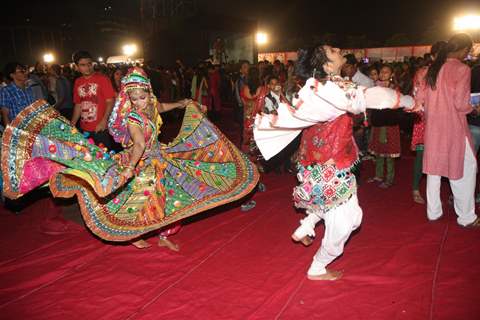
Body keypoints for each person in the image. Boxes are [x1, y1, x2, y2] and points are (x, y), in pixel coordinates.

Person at [1, 67, 260, 248]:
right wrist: (129, 169)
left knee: (172, 199)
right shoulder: (133, 118)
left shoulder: (150, 105)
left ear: (148, 92)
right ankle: (135, 234)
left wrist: (183, 103)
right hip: (144, 163)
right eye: (133, 97)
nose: (138, 101)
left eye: (142, 95)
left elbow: (161, 107)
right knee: (143, 203)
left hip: (160, 157)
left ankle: (163, 234)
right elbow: (137, 145)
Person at [254, 44, 414, 280]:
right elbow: (373, 96)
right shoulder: (335, 87)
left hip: (320, 163)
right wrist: (410, 102)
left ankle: (307, 223)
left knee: (347, 213)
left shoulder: (319, 88)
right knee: (347, 221)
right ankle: (317, 266)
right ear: (327, 65)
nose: (338, 49)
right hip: (331, 166)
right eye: (332, 50)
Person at [415, 33, 479, 227]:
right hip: (454, 127)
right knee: (465, 168)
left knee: (434, 169)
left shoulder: (430, 69)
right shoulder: (462, 69)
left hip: (433, 127)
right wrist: (473, 107)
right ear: (462, 50)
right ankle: (466, 216)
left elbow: (420, 100)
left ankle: (433, 212)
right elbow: (461, 104)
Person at [410, 41, 447, 204]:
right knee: (421, 155)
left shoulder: (450, 72)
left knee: (443, 156)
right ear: (432, 56)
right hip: (425, 119)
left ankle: (442, 193)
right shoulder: (423, 73)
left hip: (445, 120)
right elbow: (416, 96)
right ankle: (415, 188)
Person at [71, 50, 116, 150]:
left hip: (99, 128)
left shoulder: (103, 79)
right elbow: (78, 104)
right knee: (88, 158)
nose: (87, 67)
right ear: (77, 67)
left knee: (104, 158)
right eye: (83, 65)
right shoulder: (78, 82)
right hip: (83, 128)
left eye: (89, 64)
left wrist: (104, 120)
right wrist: (72, 124)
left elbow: (110, 101)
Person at [368, 64, 402, 188]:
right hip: (377, 123)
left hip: (390, 125)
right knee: (378, 152)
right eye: (381, 72)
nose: (383, 74)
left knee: (389, 153)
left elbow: (396, 106)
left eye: (386, 72)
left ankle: (389, 178)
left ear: (392, 74)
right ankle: (378, 175)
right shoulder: (375, 87)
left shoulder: (395, 89)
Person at [0, 62, 35, 126]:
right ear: (12, 75)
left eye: (24, 70)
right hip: (19, 129)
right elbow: (5, 115)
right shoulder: (6, 91)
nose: (25, 73)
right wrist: (10, 133)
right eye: (21, 71)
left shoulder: (28, 88)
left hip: (34, 126)